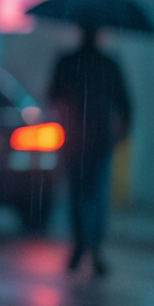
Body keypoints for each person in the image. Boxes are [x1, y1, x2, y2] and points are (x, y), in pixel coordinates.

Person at [47, 25, 131, 275]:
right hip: (100, 139)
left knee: (78, 195)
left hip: (76, 139)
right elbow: (125, 103)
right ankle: (92, 248)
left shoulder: (67, 62)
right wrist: (122, 132)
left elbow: (53, 94)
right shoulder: (108, 64)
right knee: (96, 196)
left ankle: (81, 246)